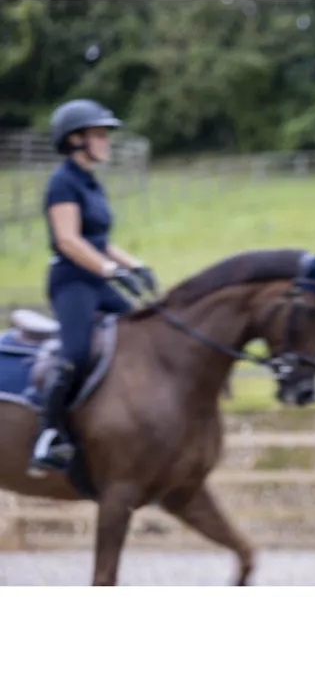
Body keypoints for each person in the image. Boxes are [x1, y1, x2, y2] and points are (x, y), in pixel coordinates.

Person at [27, 99, 158, 478]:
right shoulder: (62, 182)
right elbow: (68, 241)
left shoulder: (90, 183)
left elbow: (98, 240)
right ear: (75, 140)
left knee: (143, 334)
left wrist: (135, 265)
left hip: (97, 278)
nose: (106, 141)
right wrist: (111, 270)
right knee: (75, 353)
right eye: (99, 134)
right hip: (72, 282)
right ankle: (48, 435)